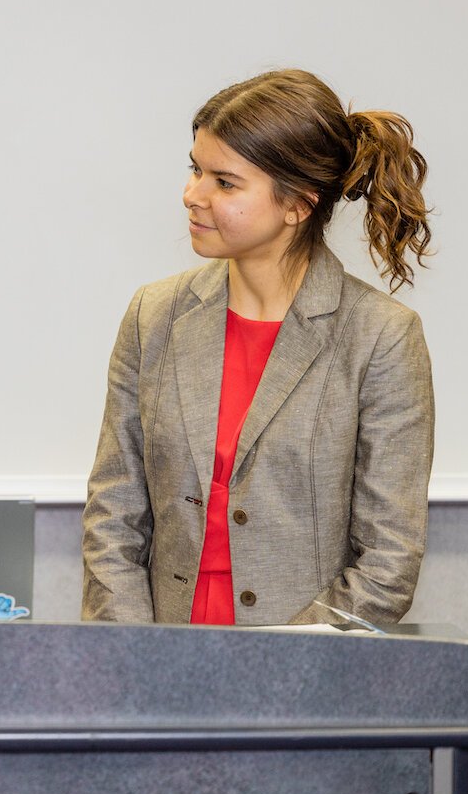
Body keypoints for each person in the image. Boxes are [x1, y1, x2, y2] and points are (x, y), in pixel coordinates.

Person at [81, 69, 434, 627]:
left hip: (302, 679)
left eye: (224, 182)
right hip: (158, 664)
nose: (192, 195)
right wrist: (134, 658)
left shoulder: (381, 336)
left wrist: (275, 670)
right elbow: (112, 514)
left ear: (297, 205)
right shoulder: (154, 315)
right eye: (195, 169)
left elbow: (387, 562)